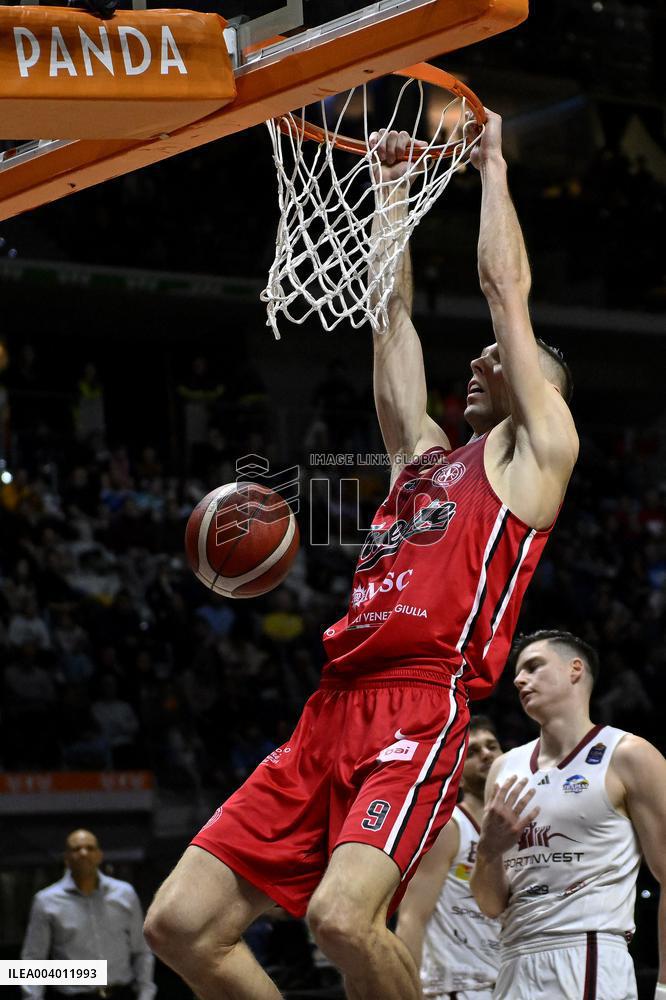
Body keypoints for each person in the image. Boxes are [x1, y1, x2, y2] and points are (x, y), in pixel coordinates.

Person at [144, 110, 579, 1000]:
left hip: (419, 705)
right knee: (179, 925)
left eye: (498, 361)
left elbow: (506, 290)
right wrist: (388, 191)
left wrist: (492, 165)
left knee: (342, 920)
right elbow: (391, 323)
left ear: (542, 388)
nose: (478, 365)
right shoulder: (424, 461)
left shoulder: (538, 455)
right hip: (331, 708)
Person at [470, 630, 666, 1000]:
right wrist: (488, 852)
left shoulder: (629, 755)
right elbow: (490, 904)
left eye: (533, 667)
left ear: (575, 669)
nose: (519, 679)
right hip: (512, 959)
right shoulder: (503, 768)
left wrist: (664, 986)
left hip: (587, 953)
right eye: (517, 672)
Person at [396, 716, 503, 999]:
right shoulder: (449, 827)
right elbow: (411, 918)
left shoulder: (521, 831)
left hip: (511, 984)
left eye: (492, 746)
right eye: (473, 751)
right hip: (458, 987)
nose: (486, 754)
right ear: (458, 773)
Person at [21, 829, 156, 1000]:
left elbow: (141, 950)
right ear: (66, 858)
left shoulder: (124, 894)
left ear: (99, 855)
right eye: (76, 849)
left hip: (121, 993)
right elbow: (33, 959)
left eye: (90, 848)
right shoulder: (46, 901)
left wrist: (146, 994)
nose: (83, 853)